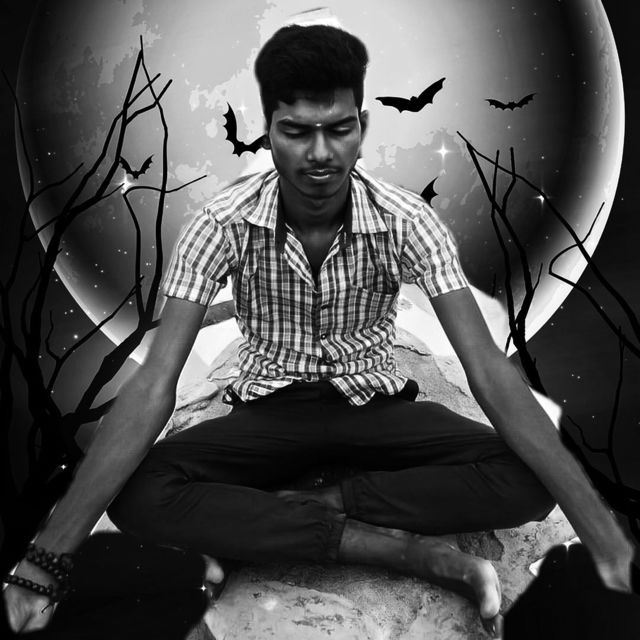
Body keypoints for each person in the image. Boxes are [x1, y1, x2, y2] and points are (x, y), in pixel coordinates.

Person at [3, 23, 633, 638]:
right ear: (269, 130)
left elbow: (488, 369)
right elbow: (154, 384)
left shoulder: (407, 219)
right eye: (297, 131)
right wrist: (44, 562)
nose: (320, 154)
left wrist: (602, 534)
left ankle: (327, 506)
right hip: (267, 412)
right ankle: (402, 551)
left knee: (532, 478)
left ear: (363, 125)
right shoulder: (220, 223)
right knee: (135, 490)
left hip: (378, 406)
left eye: (338, 128)